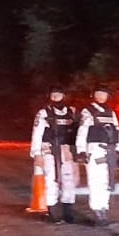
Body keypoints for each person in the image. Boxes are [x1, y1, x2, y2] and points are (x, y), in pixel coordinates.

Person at [29, 87, 80, 223]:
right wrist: (36, 154)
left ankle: (68, 212)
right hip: (49, 150)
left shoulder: (72, 112)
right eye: (54, 94)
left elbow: (78, 133)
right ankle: (52, 212)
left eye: (59, 94)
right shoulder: (44, 113)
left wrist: (78, 151)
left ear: (64, 95)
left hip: (66, 151)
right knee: (51, 180)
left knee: (69, 181)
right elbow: (37, 133)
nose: (56, 96)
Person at [75, 86, 119, 226]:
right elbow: (82, 131)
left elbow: (117, 130)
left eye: (104, 94)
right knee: (96, 181)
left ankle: (104, 209)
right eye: (99, 94)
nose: (102, 96)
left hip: (109, 150)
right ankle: (97, 212)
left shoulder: (110, 112)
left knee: (107, 181)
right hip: (95, 149)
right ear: (94, 95)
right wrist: (81, 150)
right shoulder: (88, 111)